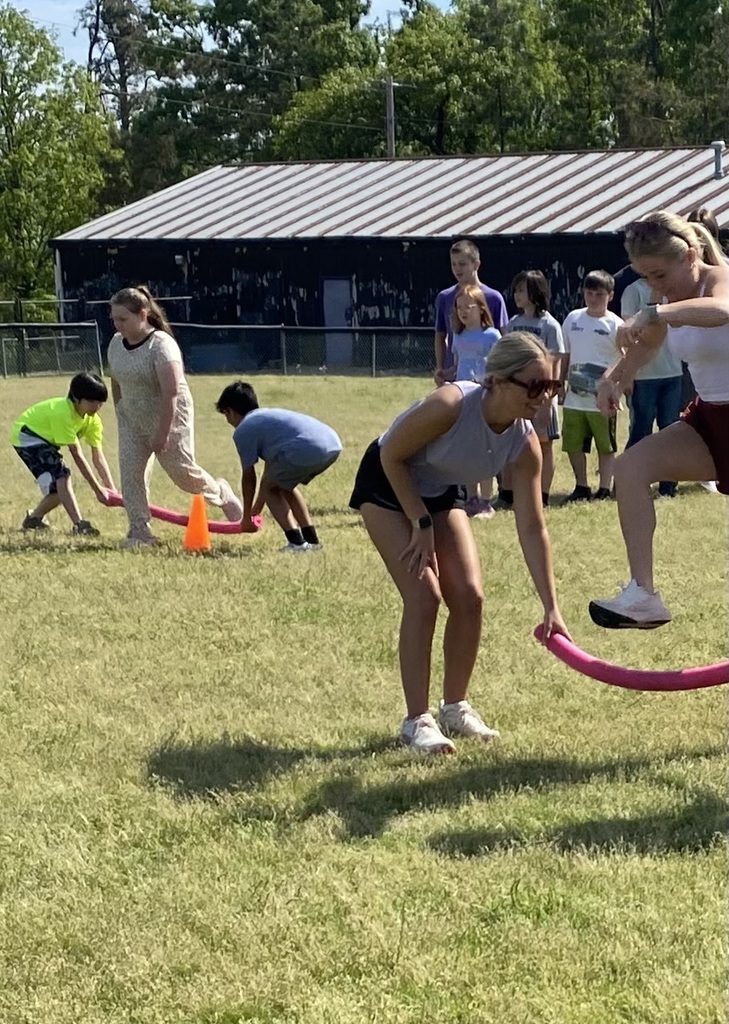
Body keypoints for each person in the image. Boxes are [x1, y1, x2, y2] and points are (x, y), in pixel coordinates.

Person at [349, 332, 570, 755]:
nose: (545, 397)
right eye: (535, 386)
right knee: (424, 596)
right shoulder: (451, 405)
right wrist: (420, 522)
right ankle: (417, 721)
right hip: (387, 484)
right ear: (497, 381)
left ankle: (455, 708)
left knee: (469, 597)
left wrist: (551, 606)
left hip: (438, 490)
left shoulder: (525, 445)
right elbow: (391, 455)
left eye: (552, 386)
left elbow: (532, 528)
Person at [589, 211, 729, 629]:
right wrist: (613, 378)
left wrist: (656, 314)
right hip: (711, 418)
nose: (654, 287)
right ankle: (643, 596)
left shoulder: (719, 280)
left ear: (690, 255)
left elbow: (722, 309)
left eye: (660, 275)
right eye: (646, 277)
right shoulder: (668, 300)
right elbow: (647, 345)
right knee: (631, 467)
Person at [107, 286, 243, 548]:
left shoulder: (161, 346)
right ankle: (140, 532)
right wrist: (120, 409)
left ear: (143, 314)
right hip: (132, 417)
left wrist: (163, 432)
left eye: (123, 319)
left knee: (183, 473)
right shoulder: (115, 343)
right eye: (114, 319)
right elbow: (116, 378)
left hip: (168, 415)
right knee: (131, 474)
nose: (117, 324)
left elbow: (171, 392)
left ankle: (222, 495)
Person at [215, 380, 342, 552]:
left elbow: (249, 477)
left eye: (225, 414)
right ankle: (312, 540)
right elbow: (270, 472)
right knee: (283, 486)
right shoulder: (265, 418)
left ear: (230, 411)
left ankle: (297, 543)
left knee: (272, 489)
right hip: (332, 444)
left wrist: (246, 517)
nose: (227, 421)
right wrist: (256, 509)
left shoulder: (244, 430)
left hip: (307, 447)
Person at [10, 371, 116, 536]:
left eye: (100, 402)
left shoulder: (93, 420)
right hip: (28, 437)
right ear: (76, 398)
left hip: (45, 441)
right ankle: (80, 525)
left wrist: (111, 488)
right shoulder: (63, 413)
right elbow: (77, 455)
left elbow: (98, 456)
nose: (96, 407)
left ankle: (34, 519)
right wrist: (97, 489)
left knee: (59, 490)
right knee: (62, 475)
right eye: (91, 401)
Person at [560, 270, 624, 502]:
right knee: (573, 443)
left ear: (611, 295)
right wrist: (560, 383)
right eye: (589, 293)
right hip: (575, 397)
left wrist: (616, 390)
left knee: (605, 445)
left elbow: (624, 359)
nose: (594, 298)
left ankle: (605, 488)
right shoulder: (573, 319)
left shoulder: (617, 324)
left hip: (602, 399)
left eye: (599, 294)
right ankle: (581, 485)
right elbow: (565, 354)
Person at [503, 270, 565, 507]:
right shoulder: (514, 324)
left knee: (544, 443)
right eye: (515, 290)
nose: (516, 295)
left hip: (541, 394)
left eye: (521, 290)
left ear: (535, 292)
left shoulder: (550, 325)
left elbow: (555, 360)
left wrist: (549, 395)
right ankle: (510, 492)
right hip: (517, 393)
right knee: (515, 442)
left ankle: (543, 494)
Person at [620, 276, 683, 498]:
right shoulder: (633, 291)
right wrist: (628, 375)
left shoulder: (673, 289)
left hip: (672, 372)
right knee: (641, 429)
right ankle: (629, 481)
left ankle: (668, 486)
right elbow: (629, 336)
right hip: (644, 376)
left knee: (670, 430)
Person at [448, 285, 501, 518]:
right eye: (459, 307)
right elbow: (457, 365)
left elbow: (498, 365)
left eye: (468, 307)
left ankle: (486, 501)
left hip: (484, 397)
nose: (463, 312)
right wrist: (445, 374)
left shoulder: (492, 336)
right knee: (468, 450)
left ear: (480, 308)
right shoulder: (458, 336)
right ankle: (471, 498)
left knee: (484, 450)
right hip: (463, 397)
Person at [433, 239, 507, 386]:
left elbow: (505, 337)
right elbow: (440, 335)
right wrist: (440, 368)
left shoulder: (493, 298)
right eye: (453, 264)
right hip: (455, 374)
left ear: (476, 264)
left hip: (486, 378)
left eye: (462, 264)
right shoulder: (445, 297)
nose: (457, 269)